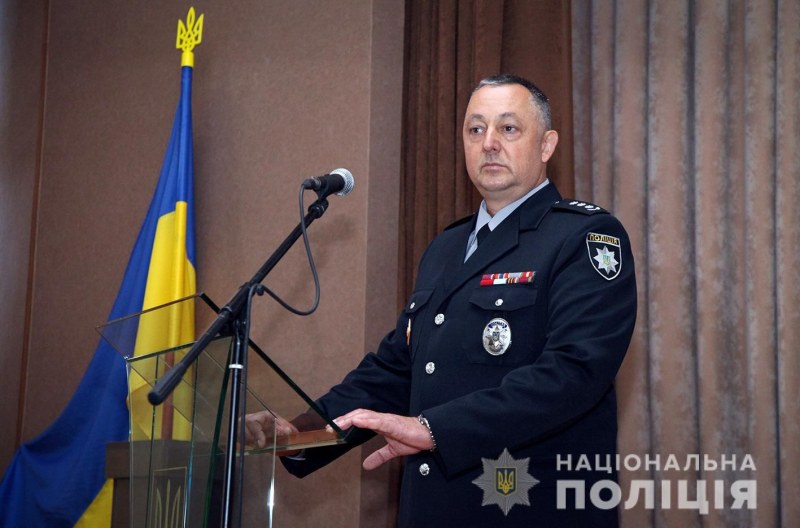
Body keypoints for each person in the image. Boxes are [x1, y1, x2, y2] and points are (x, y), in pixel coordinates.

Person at [245, 74, 637, 527]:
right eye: (475, 129)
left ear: (547, 145)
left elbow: (573, 373)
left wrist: (434, 429)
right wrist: (301, 432)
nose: (489, 143)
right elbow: (397, 370)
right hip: (433, 508)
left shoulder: (584, 236)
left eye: (508, 128)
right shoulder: (447, 247)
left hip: (526, 506)